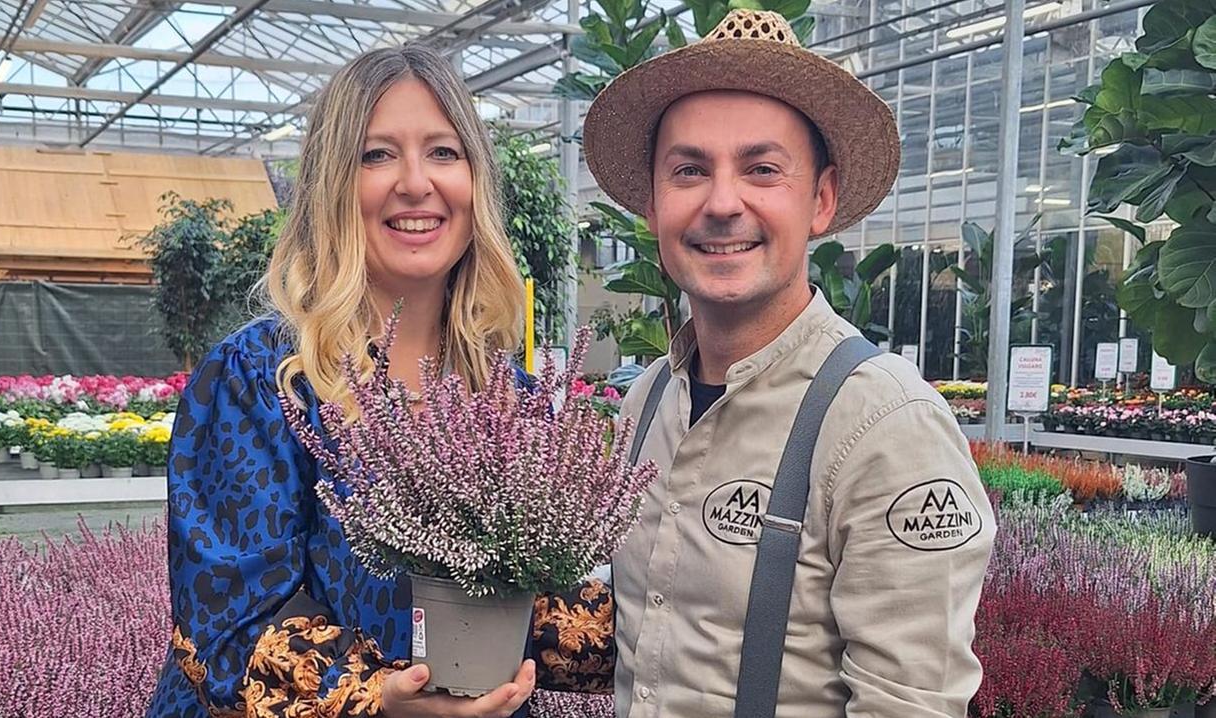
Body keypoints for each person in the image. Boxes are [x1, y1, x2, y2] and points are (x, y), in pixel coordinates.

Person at [552, 8, 998, 717]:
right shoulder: (647, 402)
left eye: (762, 169)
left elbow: (911, 703)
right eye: (689, 170)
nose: (723, 203)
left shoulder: (883, 424)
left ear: (820, 200)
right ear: (653, 205)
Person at [145, 45, 542, 718]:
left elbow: (539, 608)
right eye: (376, 155)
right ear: (332, 184)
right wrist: (374, 697)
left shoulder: (512, 400)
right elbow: (223, 627)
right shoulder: (263, 380)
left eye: (444, 153)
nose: (416, 182)